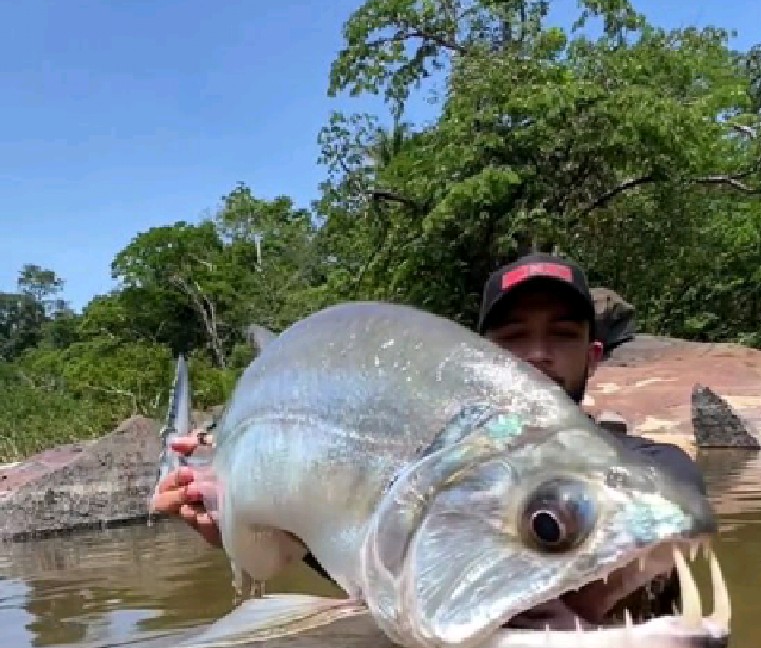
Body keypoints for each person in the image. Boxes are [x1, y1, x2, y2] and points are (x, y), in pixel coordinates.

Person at [150, 253, 705, 590]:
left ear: (593, 356)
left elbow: (670, 515)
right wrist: (263, 532)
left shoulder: (654, 470)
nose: (537, 355)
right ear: (478, 363)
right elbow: (384, 568)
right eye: (513, 339)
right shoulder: (429, 471)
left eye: (562, 335)